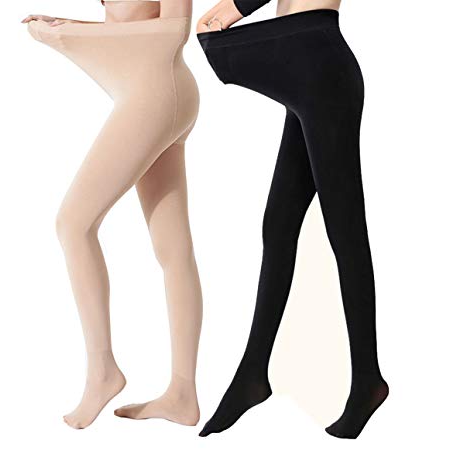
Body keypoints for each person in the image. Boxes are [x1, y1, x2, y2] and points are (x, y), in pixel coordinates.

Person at [197, 0, 388, 439]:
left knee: (346, 233)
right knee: (279, 225)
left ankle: (367, 381)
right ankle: (252, 374)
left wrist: (238, 6)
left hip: (315, 61)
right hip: (307, 64)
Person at [22, 0, 202, 429]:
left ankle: (103, 371)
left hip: (155, 94)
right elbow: (124, 26)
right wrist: (64, 25)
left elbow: (174, 31)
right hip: (148, 94)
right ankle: (182, 394)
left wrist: (68, 35)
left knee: (73, 223)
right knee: (173, 248)